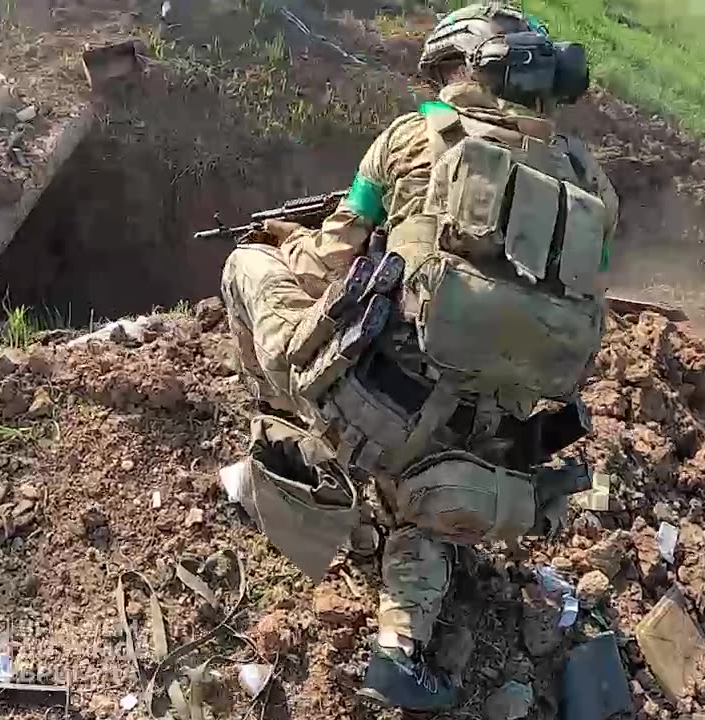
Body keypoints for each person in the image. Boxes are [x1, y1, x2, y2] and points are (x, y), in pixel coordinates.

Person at [220, 4, 618, 711]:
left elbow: (329, 258)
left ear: (466, 68)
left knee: (249, 264)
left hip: (379, 419)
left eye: (440, 74)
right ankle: (397, 654)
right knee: (423, 497)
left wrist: (286, 238)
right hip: (498, 456)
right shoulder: (590, 184)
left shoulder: (412, 137)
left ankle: (281, 424)